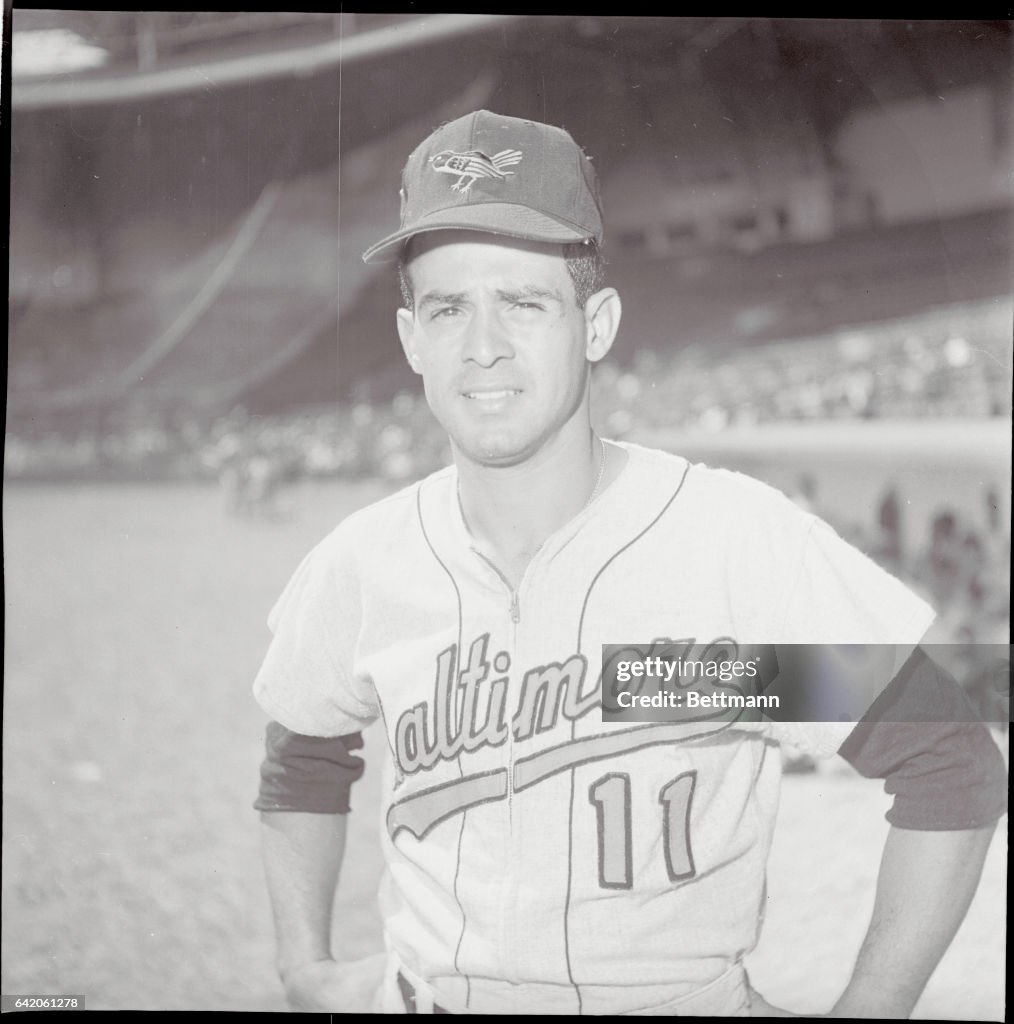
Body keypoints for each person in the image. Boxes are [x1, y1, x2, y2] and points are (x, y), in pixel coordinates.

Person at [253, 111, 1006, 1015]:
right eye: (449, 307)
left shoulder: (724, 543)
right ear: (413, 338)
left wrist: (869, 1009)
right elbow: (304, 753)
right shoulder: (364, 563)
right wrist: (303, 963)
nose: (482, 345)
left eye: (524, 302)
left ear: (597, 323)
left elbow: (948, 762)